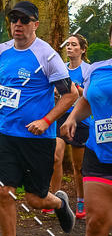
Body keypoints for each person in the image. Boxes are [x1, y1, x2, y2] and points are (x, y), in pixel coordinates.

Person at [0, 2, 78, 236]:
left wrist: (46, 121)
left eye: (24, 20)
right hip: (6, 133)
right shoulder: (1, 51)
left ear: (35, 24)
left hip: (37, 138)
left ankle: (59, 203)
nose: (18, 24)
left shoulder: (47, 56)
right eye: (14, 19)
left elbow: (71, 94)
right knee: (5, 192)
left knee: (35, 199)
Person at [61, 22, 112, 236]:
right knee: (96, 224)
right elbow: (87, 100)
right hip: (100, 155)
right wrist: (73, 118)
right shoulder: (98, 70)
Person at [45, 34, 90, 218]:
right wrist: (57, 92)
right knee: (56, 157)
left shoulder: (87, 70)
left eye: (74, 45)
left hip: (80, 119)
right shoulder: (61, 69)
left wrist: (74, 88)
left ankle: (81, 201)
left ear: (83, 49)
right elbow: (54, 89)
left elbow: (90, 95)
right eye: (68, 45)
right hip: (61, 116)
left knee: (78, 166)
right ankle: (54, 199)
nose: (69, 47)